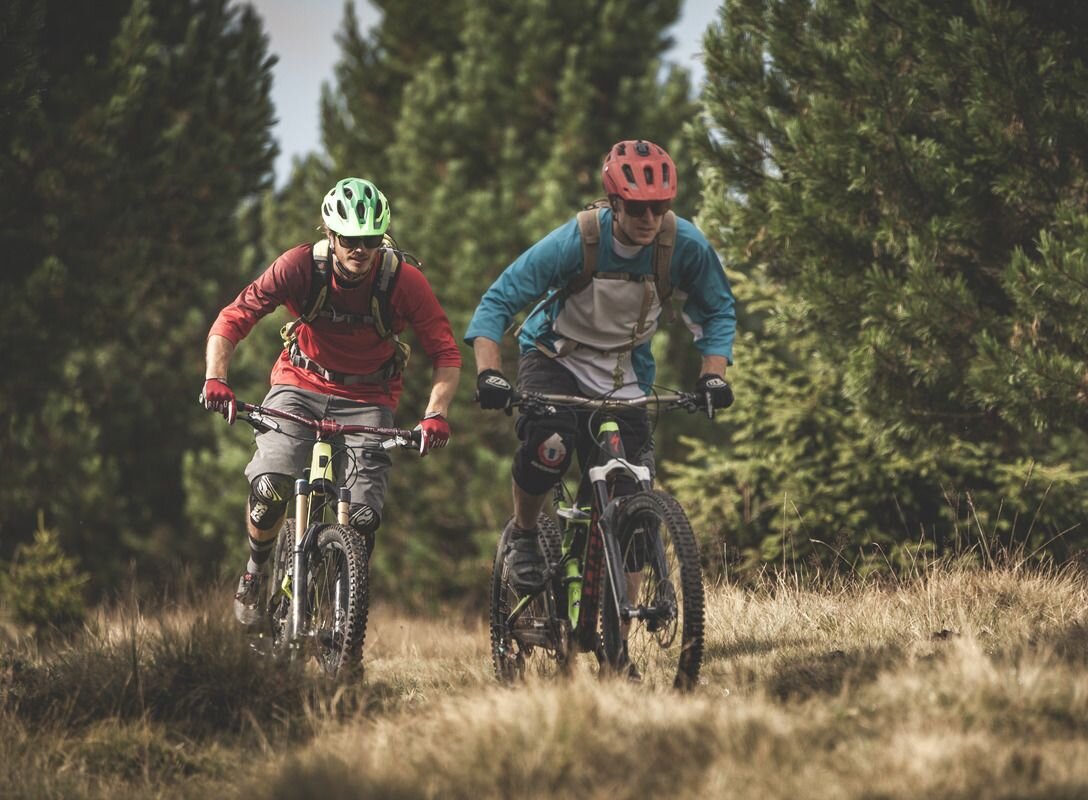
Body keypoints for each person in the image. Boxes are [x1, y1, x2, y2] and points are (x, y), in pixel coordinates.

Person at [465, 139, 736, 596]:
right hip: (556, 358)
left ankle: (619, 634)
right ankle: (524, 535)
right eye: (637, 208)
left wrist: (713, 375)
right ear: (614, 202)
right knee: (550, 445)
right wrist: (489, 373)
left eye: (660, 207)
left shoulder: (683, 244)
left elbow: (718, 310)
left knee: (634, 505)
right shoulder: (579, 239)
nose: (649, 219)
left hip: (624, 372)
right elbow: (498, 301)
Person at [200, 177, 461, 625]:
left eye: (370, 240)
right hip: (298, 385)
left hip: (369, 397)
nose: (360, 249)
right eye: (349, 239)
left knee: (361, 518)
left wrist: (436, 413)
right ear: (329, 234)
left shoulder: (403, 281)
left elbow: (446, 353)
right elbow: (234, 317)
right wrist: (215, 378)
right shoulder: (300, 267)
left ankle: (340, 614)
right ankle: (255, 571)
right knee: (270, 486)